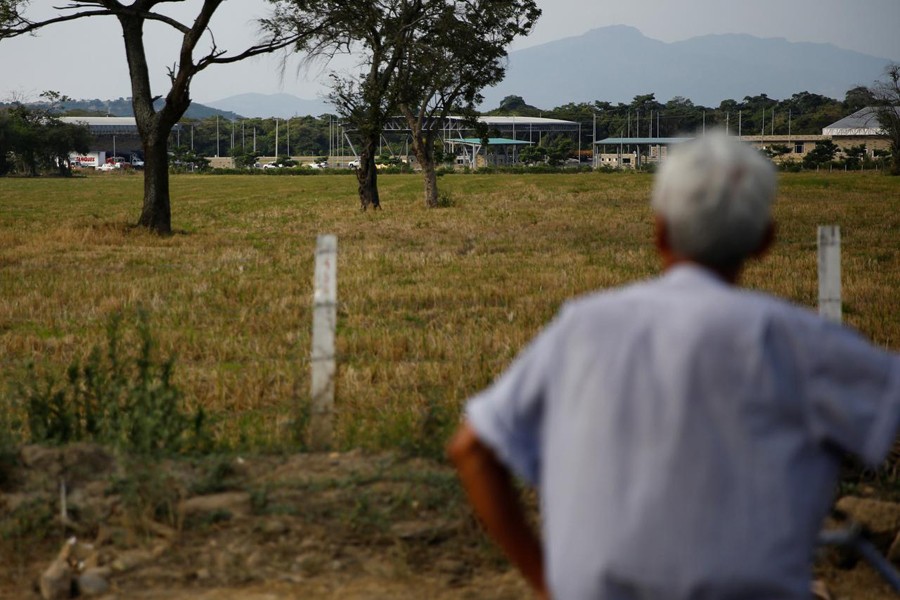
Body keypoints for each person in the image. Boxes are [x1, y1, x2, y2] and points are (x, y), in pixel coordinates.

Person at [447, 133, 900, 600]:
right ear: (765, 240)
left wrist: (546, 584)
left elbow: (472, 449)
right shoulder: (802, 342)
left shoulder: (583, 326)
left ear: (659, 231)